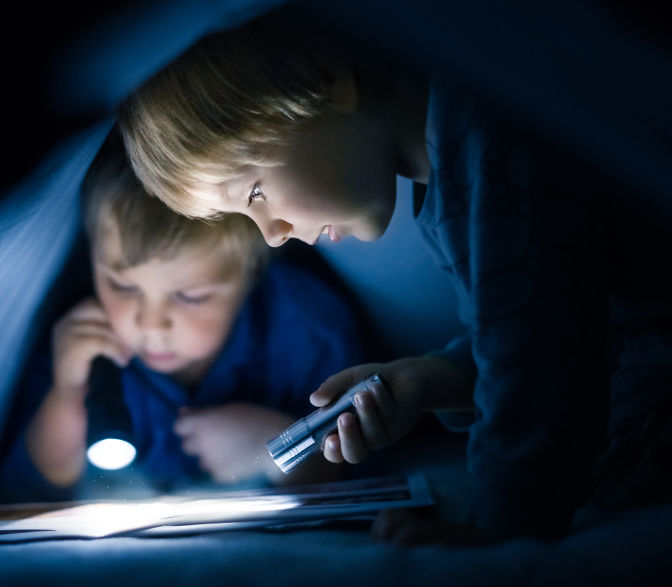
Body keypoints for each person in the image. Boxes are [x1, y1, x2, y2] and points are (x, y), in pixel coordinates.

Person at [115, 12, 672, 543]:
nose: (273, 235)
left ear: (324, 78)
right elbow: (553, 329)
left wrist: (503, 522)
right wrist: (424, 382)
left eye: (255, 192)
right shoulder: (447, 187)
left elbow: (540, 358)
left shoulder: (490, 135)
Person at [0, 127, 367, 502]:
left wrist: (278, 447)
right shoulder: (81, 349)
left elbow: (362, 485)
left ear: (251, 275)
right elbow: (21, 494)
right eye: (122, 287)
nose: (150, 323)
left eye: (191, 296)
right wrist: (67, 396)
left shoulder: (308, 332)